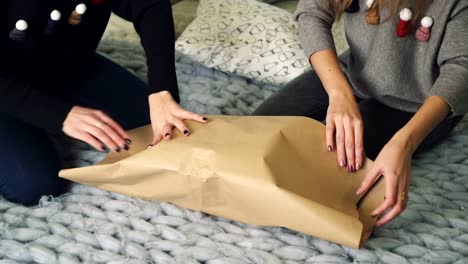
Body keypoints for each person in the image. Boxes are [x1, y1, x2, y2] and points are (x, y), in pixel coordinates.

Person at [253, 0, 467, 226]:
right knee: (254, 135)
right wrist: (339, 93)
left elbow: (462, 67)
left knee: (313, 168)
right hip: (353, 74)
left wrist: (404, 144)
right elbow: (311, 12)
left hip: (418, 103)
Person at [0, 0, 207, 206]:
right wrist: (59, 114)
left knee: (166, 133)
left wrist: (162, 89)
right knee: (33, 186)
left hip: (69, 64)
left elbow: (150, 6)